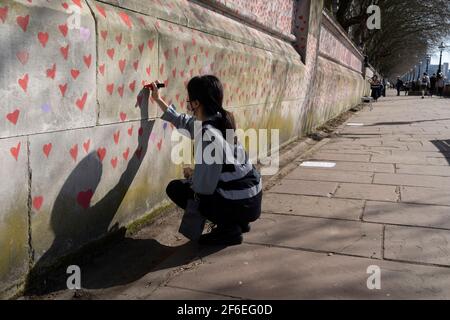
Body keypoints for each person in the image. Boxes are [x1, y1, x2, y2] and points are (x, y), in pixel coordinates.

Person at [148, 76, 262, 246]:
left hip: (240, 204)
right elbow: (184, 121)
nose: (188, 105)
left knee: (176, 188)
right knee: (210, 186)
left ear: (195, 103)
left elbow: (203, 188)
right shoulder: (222, 119)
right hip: (252, 200)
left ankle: (229, 230)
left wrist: (191, 175)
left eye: (189, 100)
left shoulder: (208, 134)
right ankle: (238, 222)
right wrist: (157, 99)